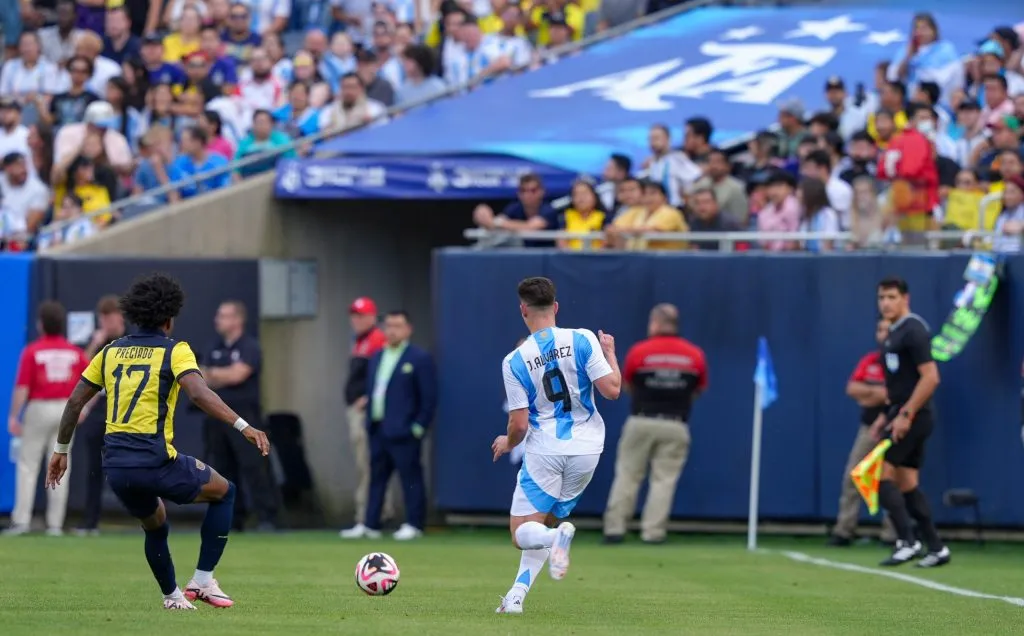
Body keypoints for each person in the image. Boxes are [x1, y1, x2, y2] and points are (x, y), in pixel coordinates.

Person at [43, 273, 271, 610]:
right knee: (226, 493)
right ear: (169, 317)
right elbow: (198, 392)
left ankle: (173, 596)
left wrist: (61, 451)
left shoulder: (110, 351)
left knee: (155, 523)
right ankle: (204, 579)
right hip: (155, 460)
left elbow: (75, 402)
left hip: (117, 468)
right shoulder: (175, 350)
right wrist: (244, 425)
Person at [491, 277, 622, 614]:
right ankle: (516, 597)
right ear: (556, 307)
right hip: (588, 449)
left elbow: (519, 424)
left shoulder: (515, 360)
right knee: (541, 524)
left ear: (522, 310)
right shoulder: (582, 339)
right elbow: (612, 390)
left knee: (522, 531)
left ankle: (556, 539)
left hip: (546, 449)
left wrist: (508, 442)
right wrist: (610, 353)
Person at [602, 303, 706, 545]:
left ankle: (615, 530)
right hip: (676, 424)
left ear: (656, 324)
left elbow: (626, 384)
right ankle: (653, 533)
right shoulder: (694, 355)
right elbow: (697, 390)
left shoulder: (640, 351)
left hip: (641, 420)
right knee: (664, 480)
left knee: (627, 475)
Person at [870, 277, 949, 568]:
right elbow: (900, 382)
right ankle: (937, 547)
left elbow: (931, 377)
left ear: (906, 298)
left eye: (891, 297)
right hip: (899, 413)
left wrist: (905, 415)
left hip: (914, 416)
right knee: (907, 484)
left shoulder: (913, 330)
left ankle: (908, 540)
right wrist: (885, 415)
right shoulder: (893, 332)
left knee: (880, 475)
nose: (886, 303)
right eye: (881, 298)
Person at [343, 310, 437, 541]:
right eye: (388, 325)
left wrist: (417, 427)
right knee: (376, 477)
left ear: (408, 329)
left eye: (397, 325)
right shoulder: (377, 356)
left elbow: (429, 397)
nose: (392, 330)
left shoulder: (418, 358)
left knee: (410, 477)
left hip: (404, 431)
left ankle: (414, 523)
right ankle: (370, 524)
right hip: (377, 427)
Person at [5, 301, 88, 536]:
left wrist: (13, 415)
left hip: (39, 408)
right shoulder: (74, 352)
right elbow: (94, 382)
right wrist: (85, 409)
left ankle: (21, 521)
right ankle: (55, 524)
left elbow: (22, 388)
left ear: (41, 325)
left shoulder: (33, 351)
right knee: (61, 464)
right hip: (66, 408)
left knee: (28, 465)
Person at [201, 300, 279, 532]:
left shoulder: (249, 346)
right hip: (217, 415)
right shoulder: (214, 346)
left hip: (245, 415)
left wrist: (216, 374)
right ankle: (234, 518)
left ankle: (267, 517)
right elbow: (202, 377)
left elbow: (239, 374)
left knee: (254, 465)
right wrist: (218, 374)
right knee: (223, 468)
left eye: (223, 316)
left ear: (238, 320)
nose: (218, 320)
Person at [828, 316, 897, 547]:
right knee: (853, 475)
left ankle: (892, 534)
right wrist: (878, 393)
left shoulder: (902, 362)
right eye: (880, 330)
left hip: (895, 427)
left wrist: (870, 395)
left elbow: (898, 395)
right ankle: (844, 530)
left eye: (888, 330)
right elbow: (852, 388)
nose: (883, 334)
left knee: (892, 480)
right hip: (869, 428)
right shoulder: (870, 361)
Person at [339, 296, 396, 537]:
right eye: (354, 315)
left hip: (366, 412)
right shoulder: (360, 340)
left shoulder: (377, 339)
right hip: (356, 409)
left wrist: (369, 398)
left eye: (361, 315)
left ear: (373, 317)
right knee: (364, 464)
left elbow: (383, 375)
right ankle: (370, 515)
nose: (356, 320)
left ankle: (369, 516)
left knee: (368, 464)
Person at [75, 295, 127, 536]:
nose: (106, 323)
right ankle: (90, 521)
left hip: (126, 407)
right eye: (102, 319)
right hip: (101, 407)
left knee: (133, 464)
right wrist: (95, 343)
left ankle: (151, 516)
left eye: (110, 317)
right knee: (93, 467)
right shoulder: (99, 343)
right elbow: (84, 373)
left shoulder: (129, 342)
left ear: (120, 317)